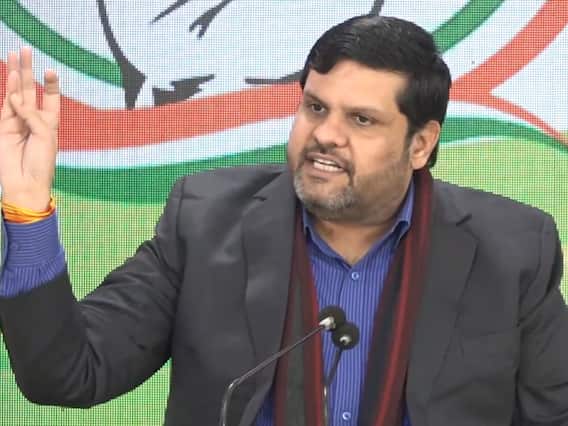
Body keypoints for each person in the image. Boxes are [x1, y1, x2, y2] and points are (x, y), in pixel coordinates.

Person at [0, 14, 567, 426]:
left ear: (420, 144)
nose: (325, 134)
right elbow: (66, 373)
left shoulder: (513, 249)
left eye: (361, 120)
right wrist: (27, 209)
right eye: (315, 107)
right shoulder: (206, 222)